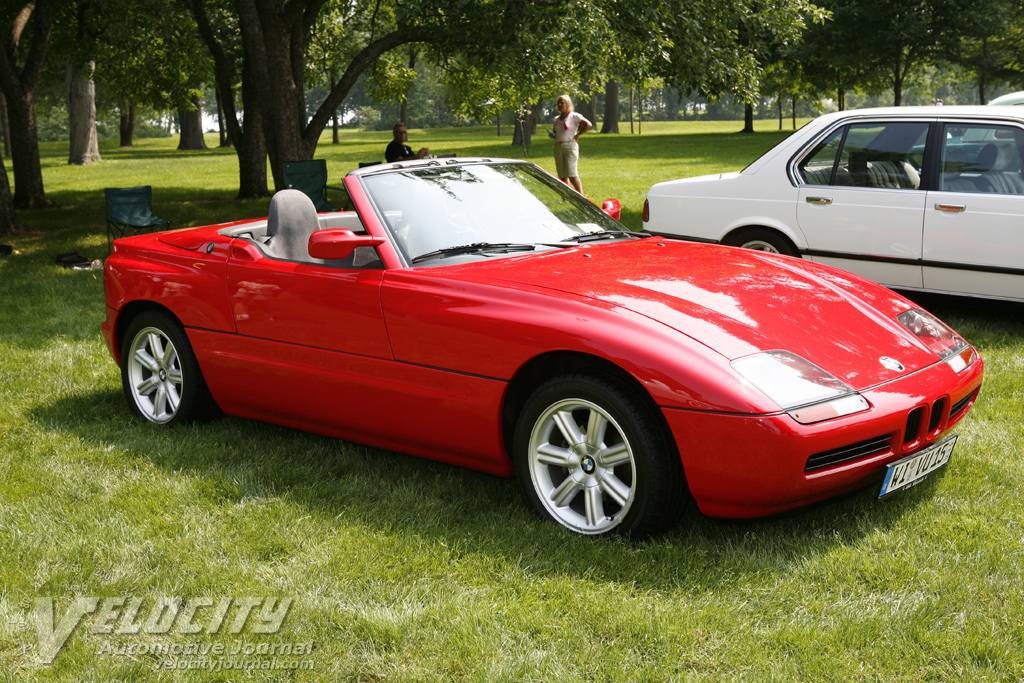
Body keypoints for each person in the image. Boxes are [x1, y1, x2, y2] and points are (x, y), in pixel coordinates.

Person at [552, 95, 592, 193]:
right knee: (562, 176)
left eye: (562, 103)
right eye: (558, 103)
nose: (560, 104)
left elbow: (588, 125)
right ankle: (567, 197)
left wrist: (578, 134)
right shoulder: (556, 119)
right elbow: (556, 132)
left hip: (570, 146)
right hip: (558, 147)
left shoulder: (574, 116)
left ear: (568, 103)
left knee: (572, 174)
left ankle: (581, 197)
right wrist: (552, 135)